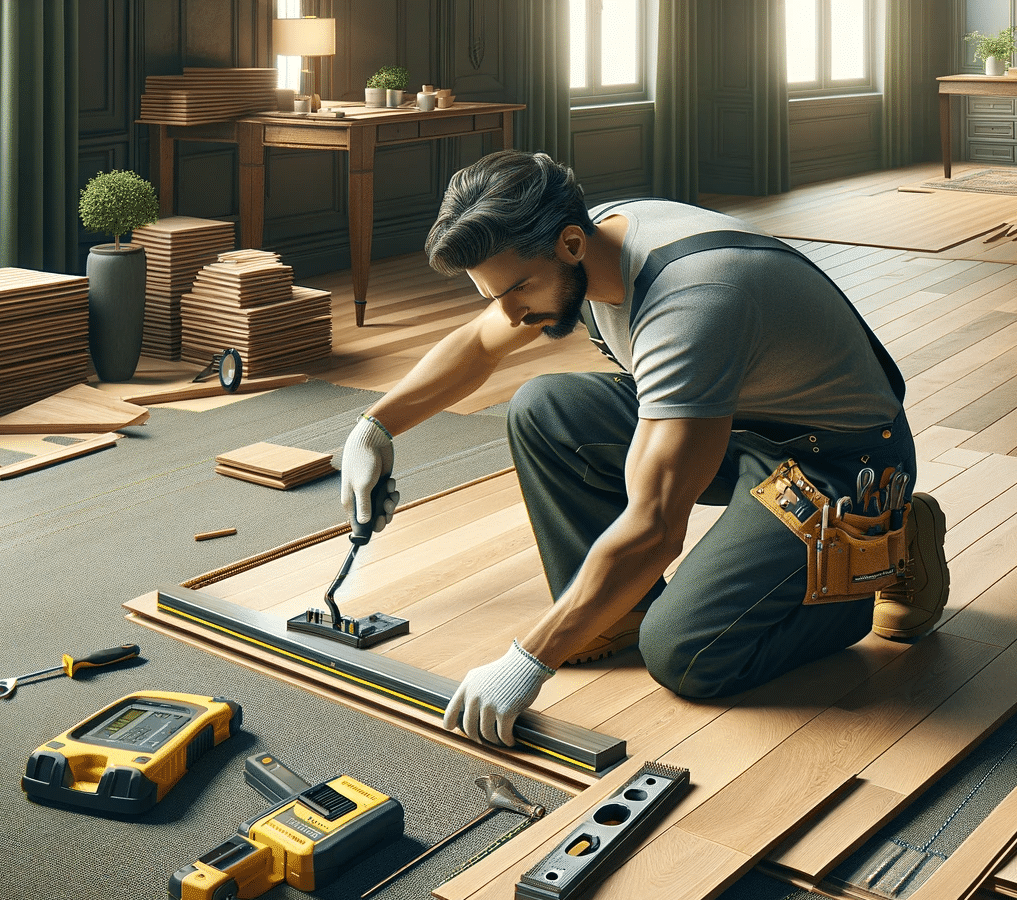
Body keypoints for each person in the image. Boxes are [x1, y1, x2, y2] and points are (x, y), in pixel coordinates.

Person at [340, 151, 949, 747]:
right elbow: (478, 343)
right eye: (494, 294)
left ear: (571, 246)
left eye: (517, 290)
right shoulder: (584, 240)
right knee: (545, 409)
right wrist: (375, 428)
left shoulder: (690, 304)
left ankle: (872, 561)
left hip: (841, 459)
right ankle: (617, 613)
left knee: (687, 653)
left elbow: (657, 527)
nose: (509, 312)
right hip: (735, 421)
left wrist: (526, 662)